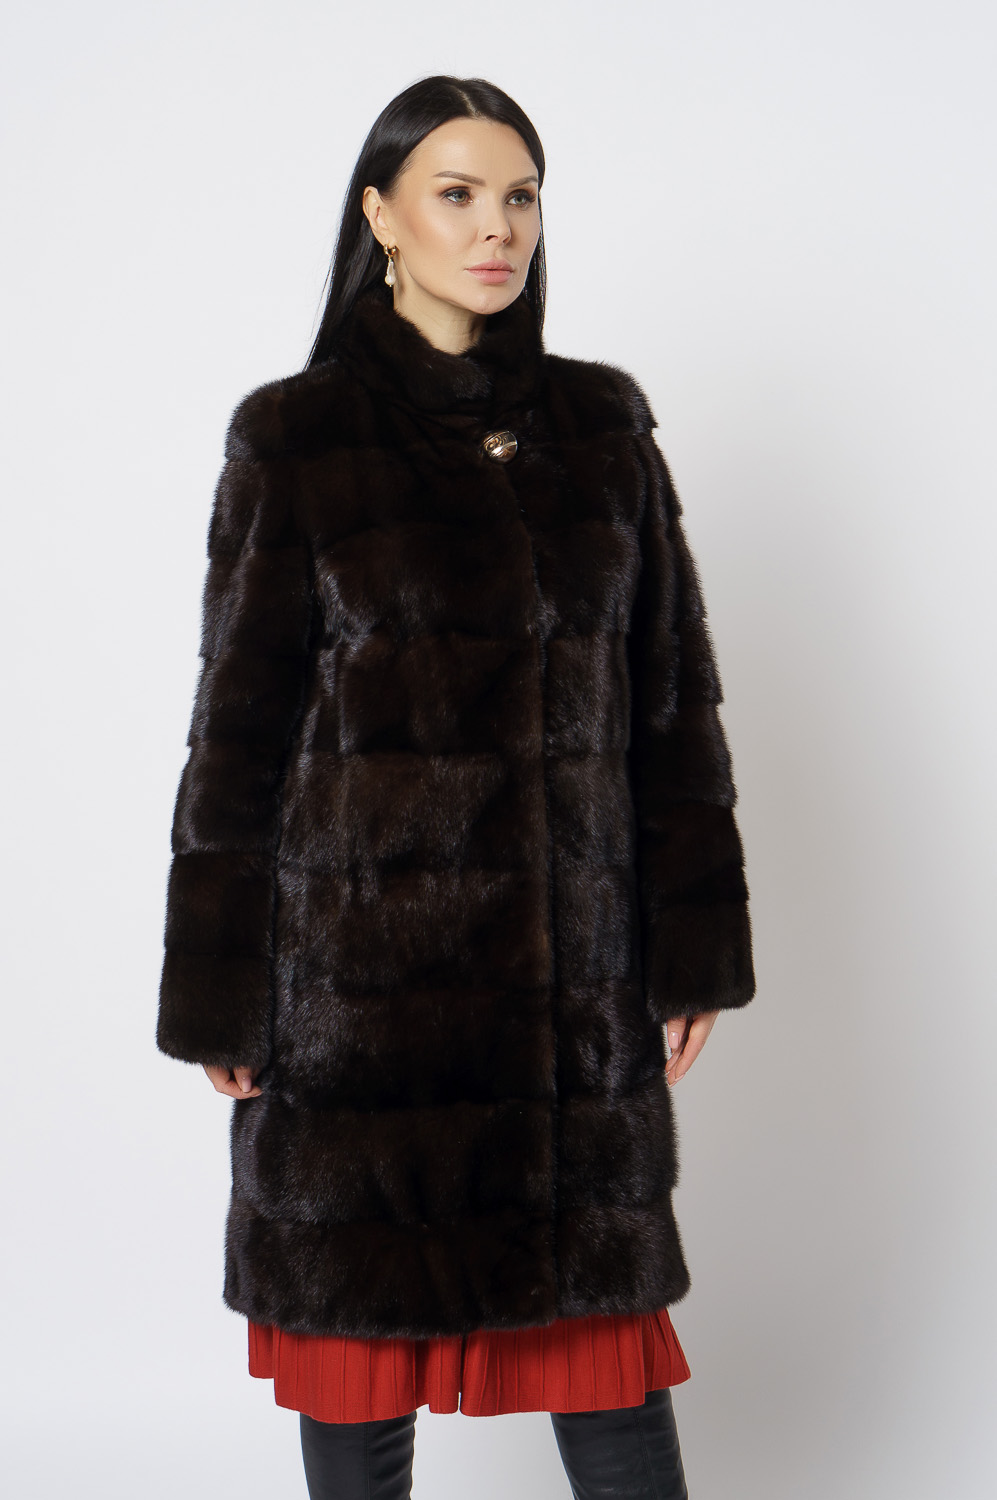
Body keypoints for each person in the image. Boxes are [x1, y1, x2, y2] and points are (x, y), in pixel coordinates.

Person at [156, 74, 755, 1499]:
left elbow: (669, 707)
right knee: (356, 1368)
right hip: (360, 1005)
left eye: (520, 197)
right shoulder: (297, 440)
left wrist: (691, 950)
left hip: (568, 1009)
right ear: (381, 216)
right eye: (458, 193)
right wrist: (222, 989)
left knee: (608, 1367)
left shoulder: (602, 431)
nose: (498, 228)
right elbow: (236, 734)